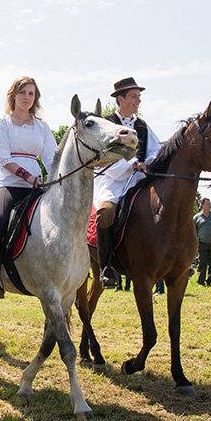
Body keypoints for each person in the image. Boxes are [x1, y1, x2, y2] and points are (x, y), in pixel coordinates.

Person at [0, 76, 57, 299]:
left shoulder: (42, 127)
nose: (27, 97)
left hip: (36, 186)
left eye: (31, 93)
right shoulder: (2, 123)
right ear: (13, 95)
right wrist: (28, 177)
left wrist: (57, 179)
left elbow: (52, 158)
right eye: (23, 92)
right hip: (9, 184)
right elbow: (3, 159)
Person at [93, 77, 161, 289]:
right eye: (133, 97)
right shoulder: (106, 124)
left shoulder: (143, 126)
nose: (138, 101)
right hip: (112, 181)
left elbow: (155, 151)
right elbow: (102, 157)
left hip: (139, 181)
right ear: (120, 99)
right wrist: (131, 165)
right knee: (106, 213)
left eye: (139, 97)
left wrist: (148, 163)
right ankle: (106, 267)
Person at [193, 198, 211, 286]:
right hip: (202, 243)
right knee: (202, 263)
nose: (210, 205)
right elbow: (194, 230)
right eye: (207, 204)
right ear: (202, 205)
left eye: (210, 203)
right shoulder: (197, 217)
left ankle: (210, 281)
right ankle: (201, 281)